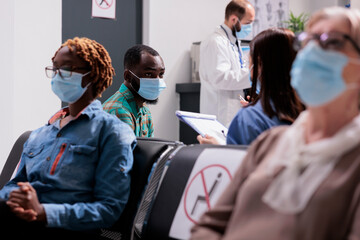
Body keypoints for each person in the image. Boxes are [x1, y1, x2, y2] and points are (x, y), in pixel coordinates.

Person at [191, 6, 360, 239]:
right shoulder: (270, 143)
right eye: (305, 41)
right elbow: (208, 226)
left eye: (330, 42)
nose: (310, 52)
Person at [0, 37, 136, 239]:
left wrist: (43, 212)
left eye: (67, 69)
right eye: (55, 69)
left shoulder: (112, 132)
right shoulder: (40, 134)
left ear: (92, 75)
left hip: (67, 230)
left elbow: (108, 210)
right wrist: (15, 197)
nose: (57, 75)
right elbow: (13, 185)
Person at [198, 28, 304, 145]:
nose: (248, 69)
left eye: (249, 63)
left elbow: (239, 160)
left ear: (260, 66)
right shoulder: (310, 110)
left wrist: (219, 148)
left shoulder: (249, 119)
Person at [199, 0, 255, 127]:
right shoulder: (216, 42)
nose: (250, 27)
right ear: (234, 19)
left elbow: (237, 74)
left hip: (232, 112)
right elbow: (220, 78)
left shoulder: (233, 42)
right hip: (220, 114)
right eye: (248, 23)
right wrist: (253, 74)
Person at [103, 44, 166, 137]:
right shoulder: (119, 110)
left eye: (161, 74)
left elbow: (150, 149)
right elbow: (128, 151)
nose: (157, 81)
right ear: (128, 76)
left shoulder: (144, 110)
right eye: (149, 74)